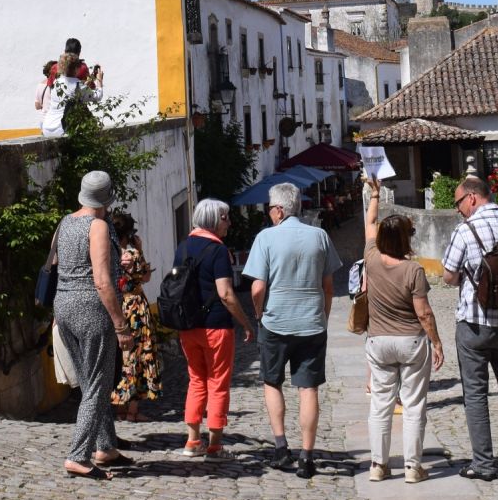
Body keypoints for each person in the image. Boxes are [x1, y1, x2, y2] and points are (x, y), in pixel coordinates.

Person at [242, 182, 341, 479]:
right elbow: (328, 286)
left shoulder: (265, 238)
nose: (269, 213)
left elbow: (257, 288)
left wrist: (259, 314)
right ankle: (307, 456)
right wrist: (323, 316)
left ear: (279, 210)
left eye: (270, 209)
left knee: (272, 382)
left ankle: (281, 447)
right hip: (311, 323)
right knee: (308, 388)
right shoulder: (319, 236)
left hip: (275, 322)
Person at [440, 175, 498, 481]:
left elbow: (449, 276)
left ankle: (483, 464)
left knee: (476, 393)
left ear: (471, 198)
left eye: (458, 203)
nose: (458, 210)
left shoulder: (465, 231)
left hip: (474, 323)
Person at [52, 171, 135, 479]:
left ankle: (106, 446)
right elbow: (101, 281)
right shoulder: (97, 225)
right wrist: (120, 325)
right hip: (91, 308)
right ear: (107, 198)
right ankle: (78, 455)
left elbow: (57, 265)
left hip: (64, 304)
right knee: (98, 385)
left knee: (89, 381)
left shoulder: (65, 222)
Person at [361, 176, 442, 484]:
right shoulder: (413, 270)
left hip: (379, 342)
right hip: (410, 341)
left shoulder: (371, 259)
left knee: (380, 404)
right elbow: (424, 313)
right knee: (413, 404)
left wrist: (375, 195)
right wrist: (436, 342)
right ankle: (412, 467)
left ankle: (378, 465)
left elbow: (370, 223)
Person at [173, 199, 255, 459]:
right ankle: (215, 445)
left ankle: (192, 441)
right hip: (216, 326)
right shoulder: (218, 250)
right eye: (225, 217)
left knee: (196, 380)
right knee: (218, 383)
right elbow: (226, 293)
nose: (229, 222)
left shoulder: (183, 247)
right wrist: (246, 322)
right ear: (214, 219)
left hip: (188, 326)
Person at [106, 211, 160, 422]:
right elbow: (145, 277)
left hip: (117, 307)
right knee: (138, 356)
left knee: (122, 357)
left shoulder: (109, 255)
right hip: (135, 307)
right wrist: (140, 249)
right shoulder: (133, 254)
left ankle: (119, 407)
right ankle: (132, 411)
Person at [38, 51, 102, 138]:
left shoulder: (56, 82)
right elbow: (97, 96)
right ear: (77, 68)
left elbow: (72, 90)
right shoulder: (78, 85)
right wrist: (99, 80)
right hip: (62, 129)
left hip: (47, 127)